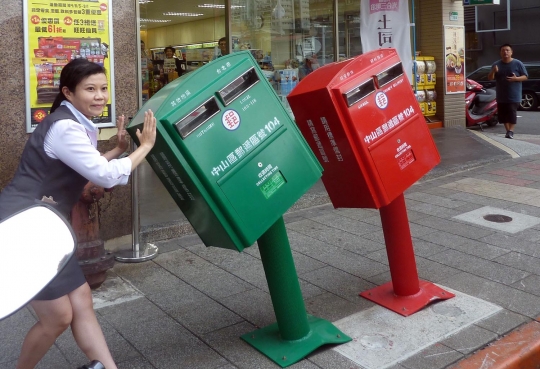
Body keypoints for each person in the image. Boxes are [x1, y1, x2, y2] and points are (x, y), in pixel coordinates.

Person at [0, 58, 157, 369]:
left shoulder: (74, 122)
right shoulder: (65, 127)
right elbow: (106, 176)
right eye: (90, 89)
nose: (99, 96)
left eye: (103, 89)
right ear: (68, 93)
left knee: (82, 300)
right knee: (57, 317)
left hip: (47, 227)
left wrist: (118, 149)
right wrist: (145, 147)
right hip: (25, 228)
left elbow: (81, 168)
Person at [487, 43, 528, 139]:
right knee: (503, 114)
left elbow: (525, 76)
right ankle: (508, 131)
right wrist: (493, 71)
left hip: (514, 94)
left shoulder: (518, 63)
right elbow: (490, 78)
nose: (505, 52)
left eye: (507, 50)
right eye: (503, 50)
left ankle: (511, 131)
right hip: (501, 94)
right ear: (500, 53)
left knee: (511, 111)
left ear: (511, 52)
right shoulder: (496, 64)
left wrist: (516, 79)